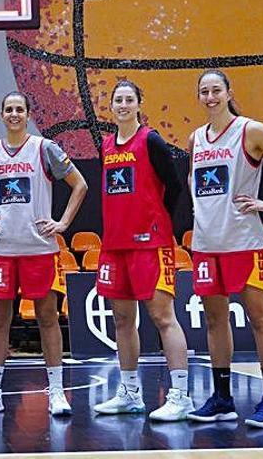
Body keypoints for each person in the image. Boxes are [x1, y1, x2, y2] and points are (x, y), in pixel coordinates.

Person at [0, 91, 87, 416]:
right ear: (1, 115)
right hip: (0, 249)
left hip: (39, 249)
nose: (14, 114)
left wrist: (63, 222)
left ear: (28, 114)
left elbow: (80, 184)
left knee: (47, 318)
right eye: (9, 109)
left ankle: (56, 392)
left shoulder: (45, 149)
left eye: (19, 109)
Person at [188, 69, 263, 427]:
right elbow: (195, 184)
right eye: (204, 91)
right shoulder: (195, 139)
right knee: (215, 320)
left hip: (245, 242)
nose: (211, 96)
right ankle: (222, 398)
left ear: (228, 92)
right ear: (199, 97)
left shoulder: (251, 130)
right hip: (206, 243)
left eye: (216, 89)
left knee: (260, 319)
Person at [92, 80, 193, 421]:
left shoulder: (150, 140)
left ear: (139, 104)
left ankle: (180, 395)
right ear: (111, 106)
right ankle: (130, 392)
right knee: (122, 320)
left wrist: (158, 220)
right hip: (115, 244)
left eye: (129, 99)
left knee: (163, 318)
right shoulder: (106, 144)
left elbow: (175, 185)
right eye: (117, 99)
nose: (122, 104)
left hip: (150, 243)